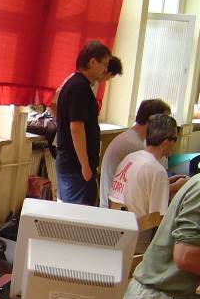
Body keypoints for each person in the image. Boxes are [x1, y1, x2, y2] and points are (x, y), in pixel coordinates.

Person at [108, 114, 187, 252]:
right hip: (136, 240)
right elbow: (158, 219)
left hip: (114, 229)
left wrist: (167, 185)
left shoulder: (131, 158)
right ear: (166, 142)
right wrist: (180, 189)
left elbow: (138, 190)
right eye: (175, 138)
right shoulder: (157, 170)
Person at [55, 40, 111, 205]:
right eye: (103, 64)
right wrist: (85, 165)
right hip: (76, 165)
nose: (105, 70)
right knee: (77, 213)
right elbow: (76, 127)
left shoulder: (74, 83)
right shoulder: (80, 88)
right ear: (92, 62)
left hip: (70, 162)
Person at [99, 99, 173, 209]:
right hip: (116, 209)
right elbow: (142, 192)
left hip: (113, 205)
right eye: (164, 121)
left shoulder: (130, 138)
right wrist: (172, 187)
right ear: (151, 120)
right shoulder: (134, 146)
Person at [50, 55, 123, 119]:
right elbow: (54, 104)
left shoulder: (94, 84)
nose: (107, 80)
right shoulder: (76, 81)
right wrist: (61, 124)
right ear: (109, 73)